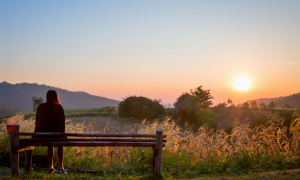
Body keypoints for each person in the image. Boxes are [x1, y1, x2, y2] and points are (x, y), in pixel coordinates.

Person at [34, 90, 67, 174]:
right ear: (56, 97)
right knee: (60, 143)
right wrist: (63, 136)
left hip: (41, 136)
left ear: (47, 97)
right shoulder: (59, 107)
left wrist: (36, 135)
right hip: (55, 135)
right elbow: (61, 124)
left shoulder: (41, 106)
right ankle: (60, 166)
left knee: (50, 143)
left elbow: (37, 122)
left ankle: (50, 166)